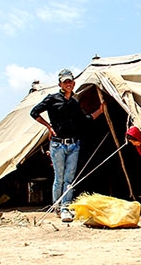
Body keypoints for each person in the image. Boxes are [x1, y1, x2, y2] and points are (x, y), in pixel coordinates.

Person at [30, 69, 104, 222]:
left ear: (74, 83)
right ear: (60, 84)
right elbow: (34, 112)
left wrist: (100, 111)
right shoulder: (52, 99)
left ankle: (65, 207)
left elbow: (85, 120)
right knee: (59, 178)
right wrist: (49, 127)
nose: (68, 84)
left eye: (70, 81)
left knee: (69, 179)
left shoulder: (75, 102)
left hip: (73, 145)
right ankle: (58, 206)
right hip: (58, 145)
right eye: (65, 82)